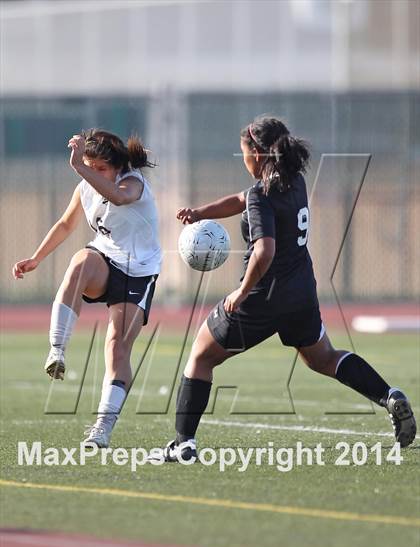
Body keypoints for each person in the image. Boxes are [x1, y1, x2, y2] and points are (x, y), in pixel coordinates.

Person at [159, 116, 416, 462]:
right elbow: (240, 199)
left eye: (244, 154)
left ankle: (183, 443)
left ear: (259, 154)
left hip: (261, 298)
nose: (244, 161)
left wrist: (241, 292)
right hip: (301, 294)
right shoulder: (294, 182)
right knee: (323, 357)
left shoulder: (260, 195)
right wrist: (200, 213)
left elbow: (264, 250)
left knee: (201, 357)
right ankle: (389, 395)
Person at [12, 129, 161, 448]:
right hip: (105, 260)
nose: (94, 174)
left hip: (138, 272)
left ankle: (103, 427)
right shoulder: (86, 187)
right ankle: (57, 350)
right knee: (80, 261)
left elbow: (121, 197)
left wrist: (80, 166)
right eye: (89, 167)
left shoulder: (133, 183)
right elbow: (67, 224)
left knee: (116, 348)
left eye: (100, 168)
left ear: (118, 165)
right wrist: (37, 258)